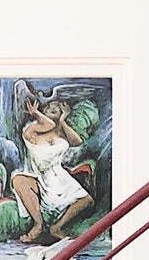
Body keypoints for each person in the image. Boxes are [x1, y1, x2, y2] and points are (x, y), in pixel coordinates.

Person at [11, 94, 94, 244]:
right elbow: (48, 124)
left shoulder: (61, 133)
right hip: (39, 176)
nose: (50, 109)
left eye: (55, 110)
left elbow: (77, 141)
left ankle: (57, 227)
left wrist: (62, 121)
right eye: (48, 108)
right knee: (18, 180)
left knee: (86, 200)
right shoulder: (32, 131)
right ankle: (38, 225)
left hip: (59, 176)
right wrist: (36, 113)